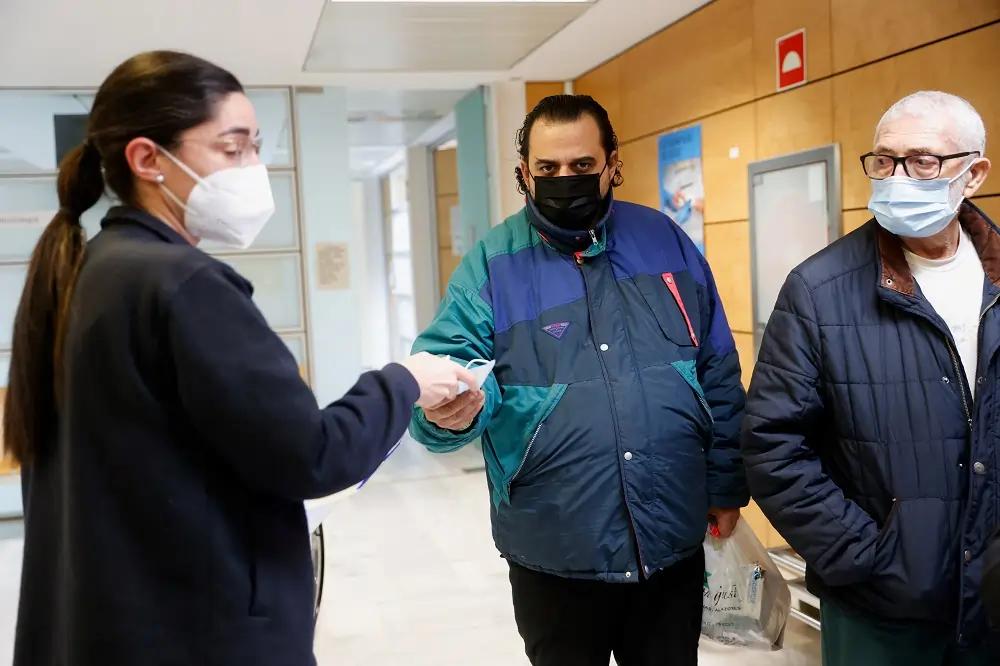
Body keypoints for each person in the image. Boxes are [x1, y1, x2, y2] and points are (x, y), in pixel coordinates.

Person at [1, 51, 475, 666]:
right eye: (232, 148)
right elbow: (312, 455)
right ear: (147, 159)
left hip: (117, 621)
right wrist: (404, 381)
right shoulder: (183, 285)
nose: (254, 168)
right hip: (195, 631)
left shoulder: (91, 272)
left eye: (256, 147)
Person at [408, 95, 748, 666]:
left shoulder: (665, 241)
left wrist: (726, 484)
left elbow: (716, 369)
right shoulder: (491, 265)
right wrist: (446, 414)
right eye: (548, 168)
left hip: (669, 539)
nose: (566, 179)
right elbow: (443, 378)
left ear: (613, 163)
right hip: (554, 551)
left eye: (582, 165)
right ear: (524, 173)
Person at [742, 90, 999, 665]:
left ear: (974, 174)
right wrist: (865, 557)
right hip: (881, 611)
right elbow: (772, 447)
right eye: (884, 160)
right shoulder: (818, 290)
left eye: (922, 161)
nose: (897, 178)